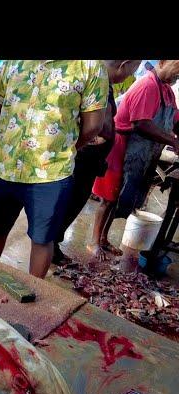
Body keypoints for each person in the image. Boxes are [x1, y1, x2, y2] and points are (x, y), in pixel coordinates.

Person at [0, 60, 108, 278]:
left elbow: (93, 126)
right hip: (5, 166)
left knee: (42, 238)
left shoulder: (89, 67)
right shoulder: (10, 62)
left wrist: (62, 147)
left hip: (51, 173)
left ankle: (33, 292)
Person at [52, 60, 141, 265]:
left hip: (90, 157)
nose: (128, 77)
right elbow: (99, 125)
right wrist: (81, 145)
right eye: (130, 72)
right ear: (123, 64)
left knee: (74, 202)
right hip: (83, 156)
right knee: (70, 202)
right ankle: (50, 246)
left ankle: (52, 244)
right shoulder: (96, 79)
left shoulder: (103, 83)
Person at [90, 60, 179, 260]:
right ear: (163, 62)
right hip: (122, 146)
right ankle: (94, 242)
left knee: (119, 198)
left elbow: (174, 119)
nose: (177, 76)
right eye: (177, 69)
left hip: (140, 152)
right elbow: (141, 124)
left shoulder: (167, 91)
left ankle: (104, 239)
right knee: (108, 198)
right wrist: (172, 140)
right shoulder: (147, 85)